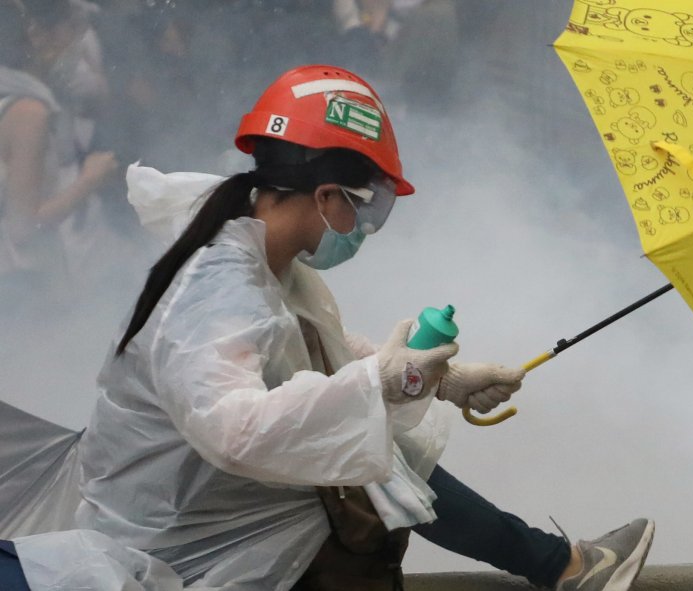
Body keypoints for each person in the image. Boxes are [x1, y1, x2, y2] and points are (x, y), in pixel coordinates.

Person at [75, 64, 654, 590]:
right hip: (177, 539)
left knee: (375, 449)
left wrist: (441, 381)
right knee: (377, 467)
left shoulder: (258, 249)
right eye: (368, 206)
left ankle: (561, 566)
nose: (366, 226)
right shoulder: (217, 287)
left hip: (212, 505)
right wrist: (380, 379)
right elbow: (233, 430)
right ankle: (564, 567)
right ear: (326, 195)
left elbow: (307, 353)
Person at [0, 0, 118, 307]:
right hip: (20, 285)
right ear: (38, 35)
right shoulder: (27, 111)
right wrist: (90, 180)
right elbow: (24, 227)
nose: (78, 41)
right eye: (74, 28)